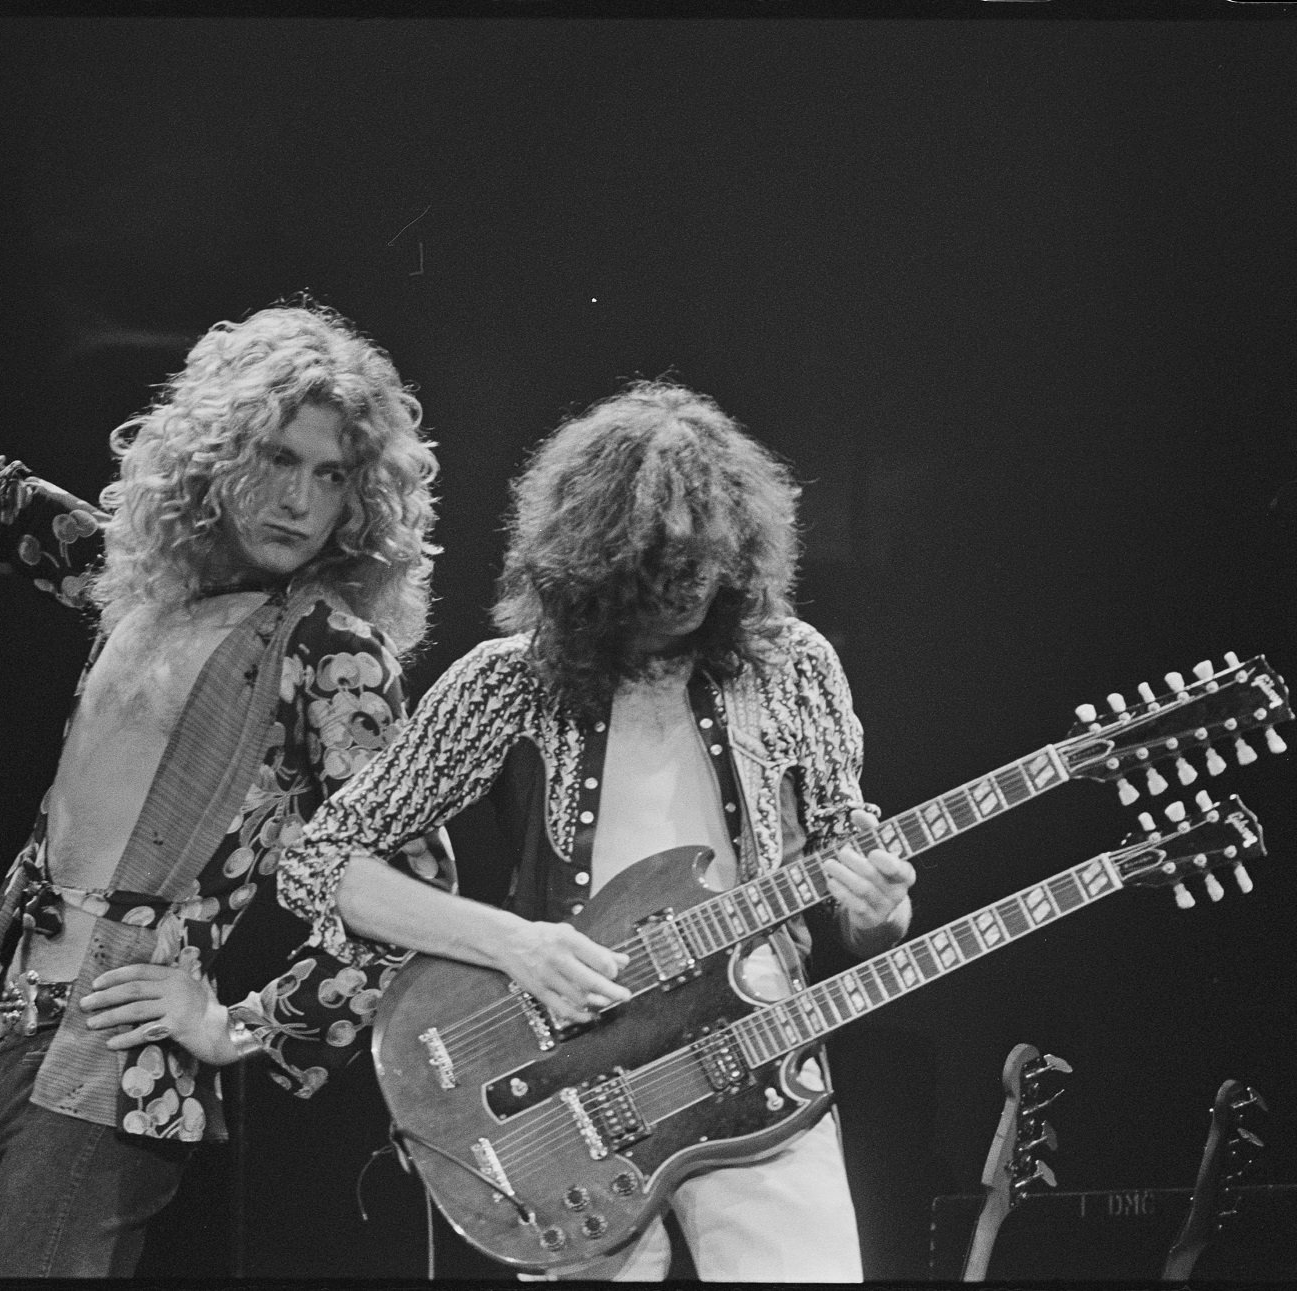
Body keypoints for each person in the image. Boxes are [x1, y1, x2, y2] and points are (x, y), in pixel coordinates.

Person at [0, 170, 512, 1278]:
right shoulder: (130, 580)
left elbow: (417, 894)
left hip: (114, 1059)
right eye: (277, 457)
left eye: (328, 477)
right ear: (218, 453)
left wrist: (243, 1023)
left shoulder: (327, 652)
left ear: (355, 502)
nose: (295, 499)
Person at [279, 379, 918, 1281]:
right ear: (589, 570)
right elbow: (317, 860)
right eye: (648, 581)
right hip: (574, 1086)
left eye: (696, 578)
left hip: (760, 1066)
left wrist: (881, 910)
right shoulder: (511, 681)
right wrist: (515, 943)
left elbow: (861, 900)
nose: (674, 603)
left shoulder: (794, 664)